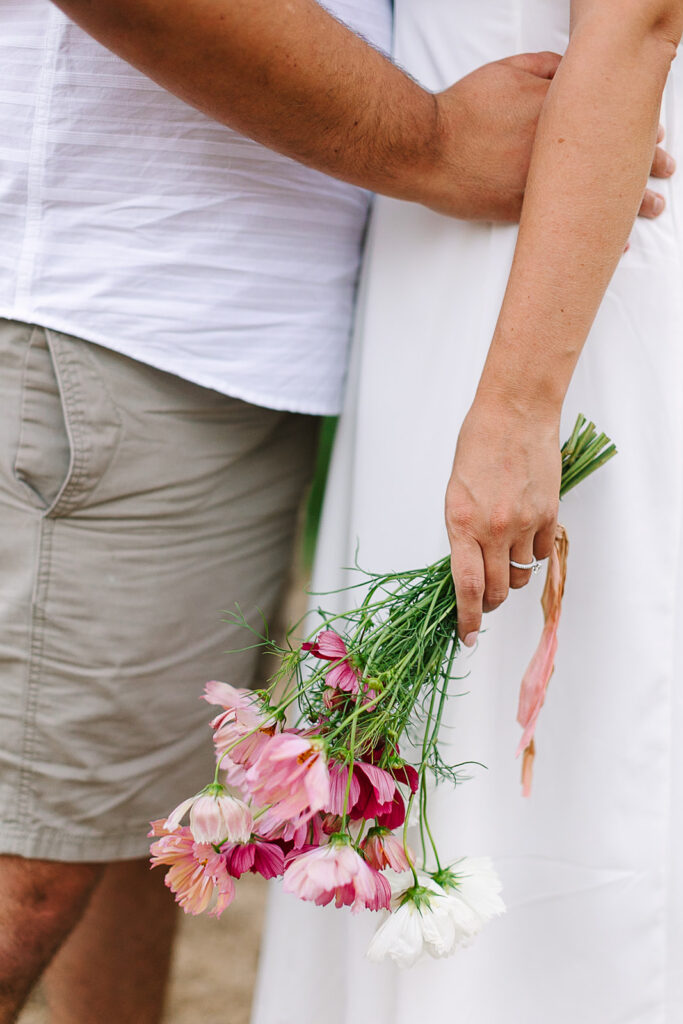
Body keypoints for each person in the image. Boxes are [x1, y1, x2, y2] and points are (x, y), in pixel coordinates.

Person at [7, 1, 671, 1022]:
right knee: (41, 862)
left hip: (460, 258)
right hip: (221, 282)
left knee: (113, 815)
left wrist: (517, 401)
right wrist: (428, 141)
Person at [253, 1, 683, 1023]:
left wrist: (518, 405)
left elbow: (634, 19)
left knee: (572, 739)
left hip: (550, 255)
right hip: (439, 249)